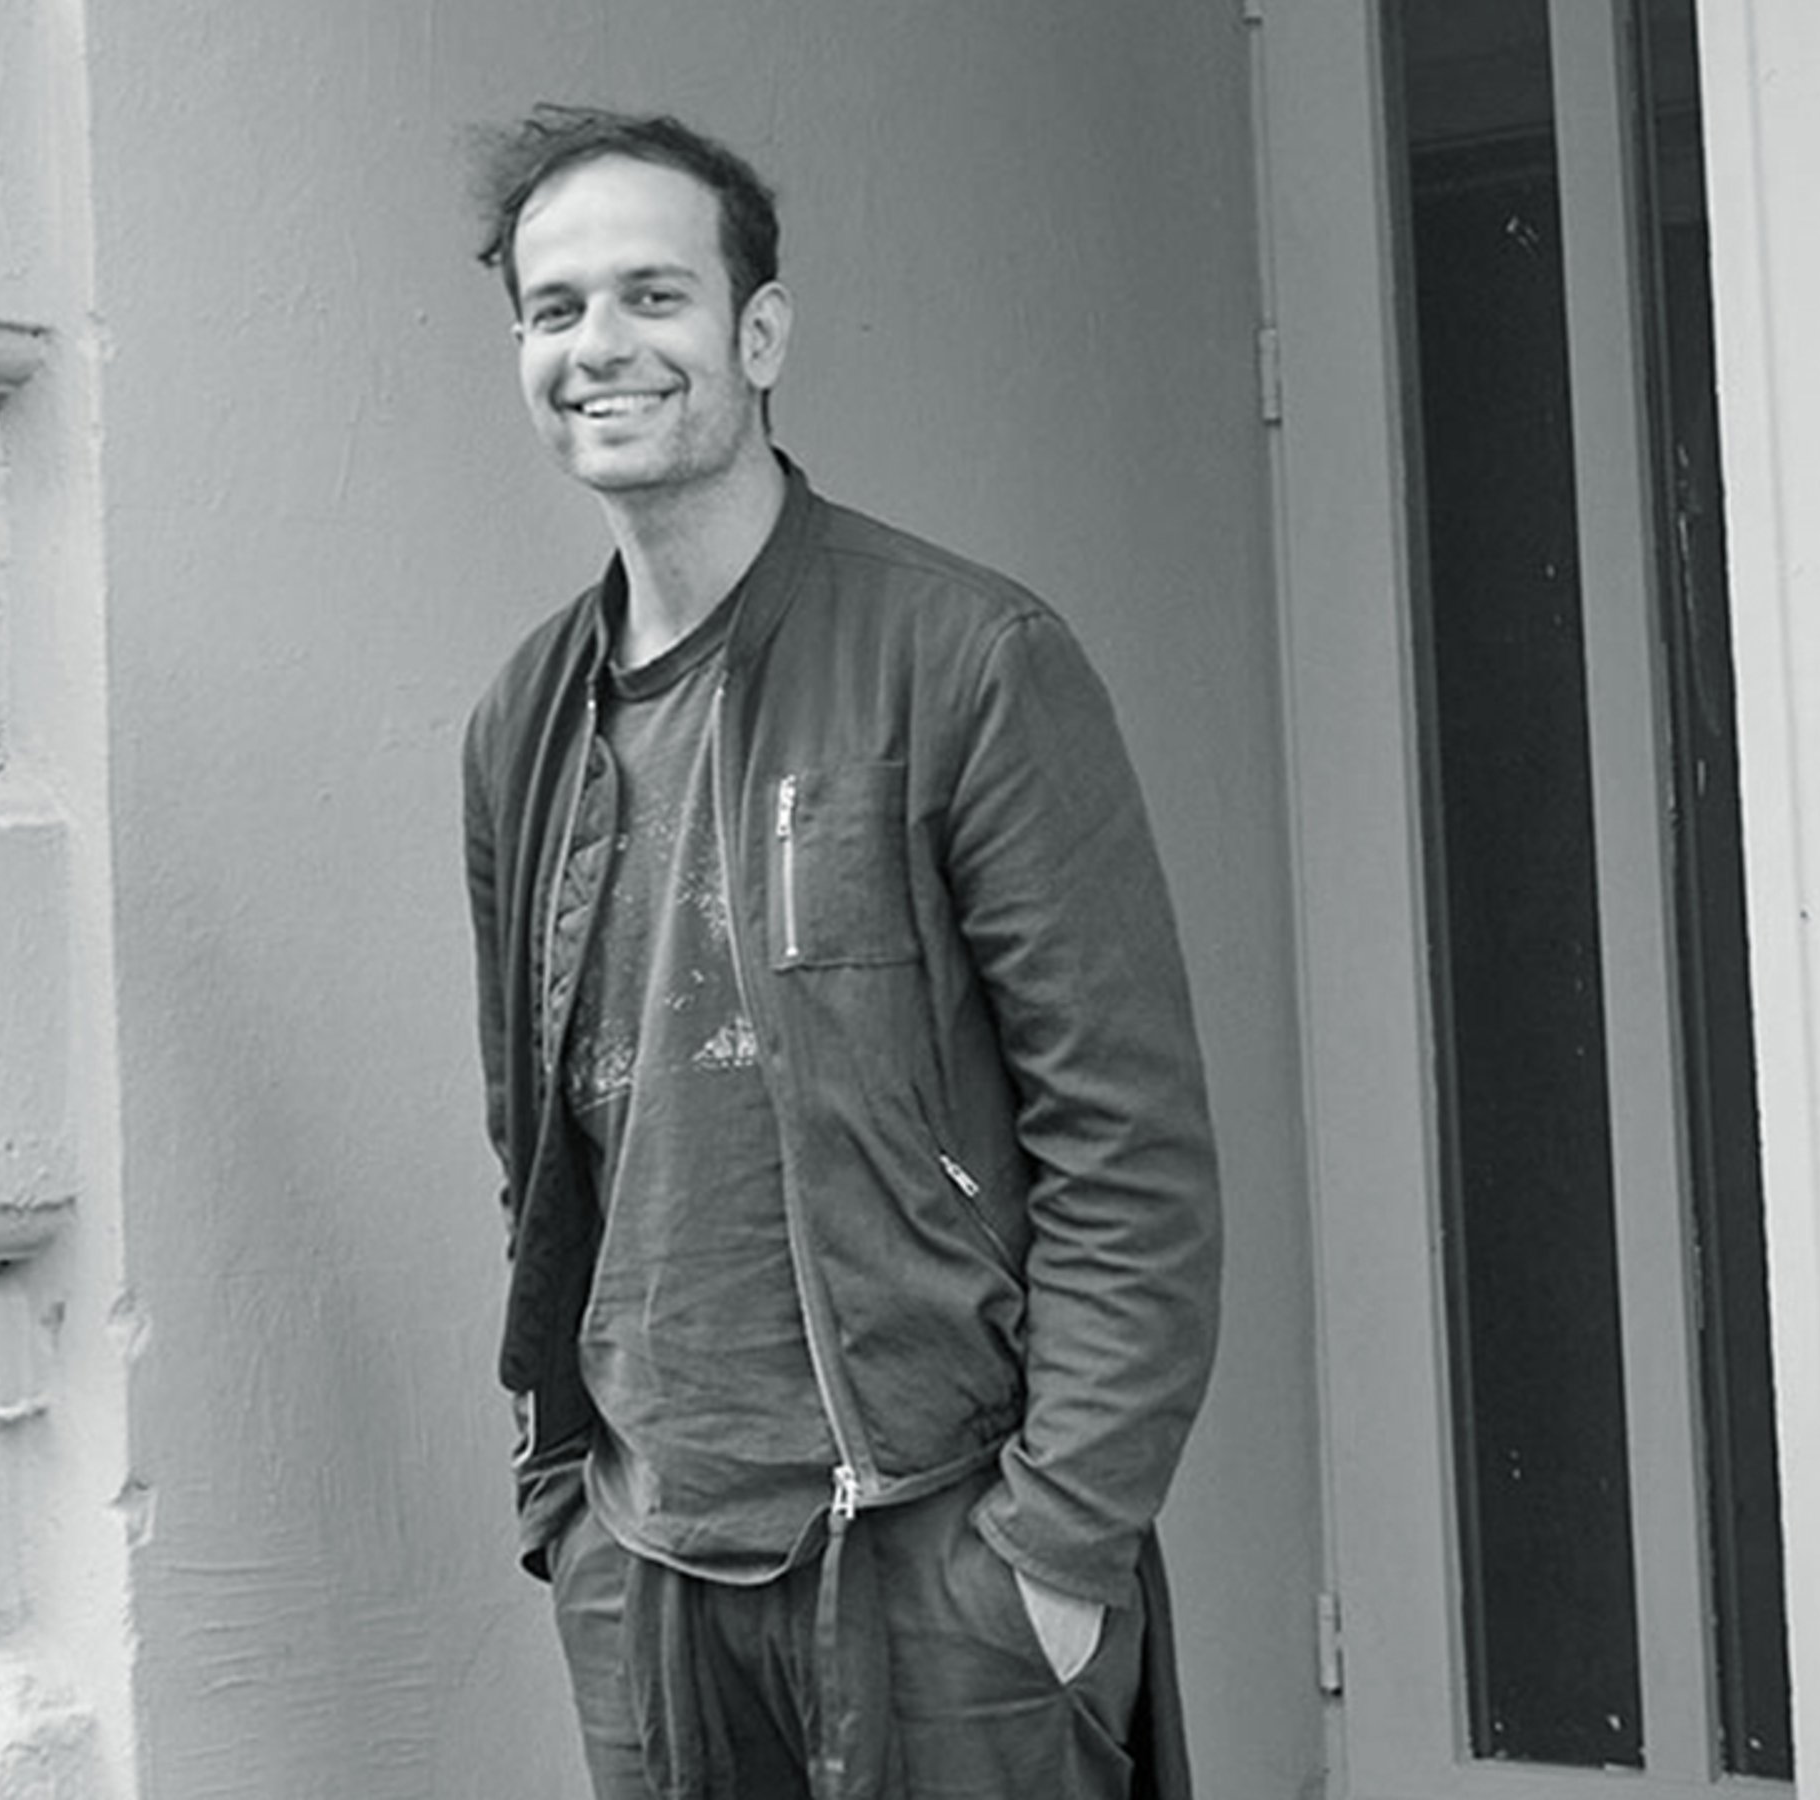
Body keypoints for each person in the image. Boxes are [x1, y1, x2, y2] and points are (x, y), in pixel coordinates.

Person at [458, 104, 1223, 1800]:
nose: (601, 346)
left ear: (760, 330)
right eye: (556, 307)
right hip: (645, 1558)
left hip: (935, 1549)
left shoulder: (968, 661)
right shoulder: (522, 721)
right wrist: (561, 1508)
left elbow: (1131, 1149)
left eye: (654, 295)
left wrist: (1055, 1548)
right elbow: (544, 1143)